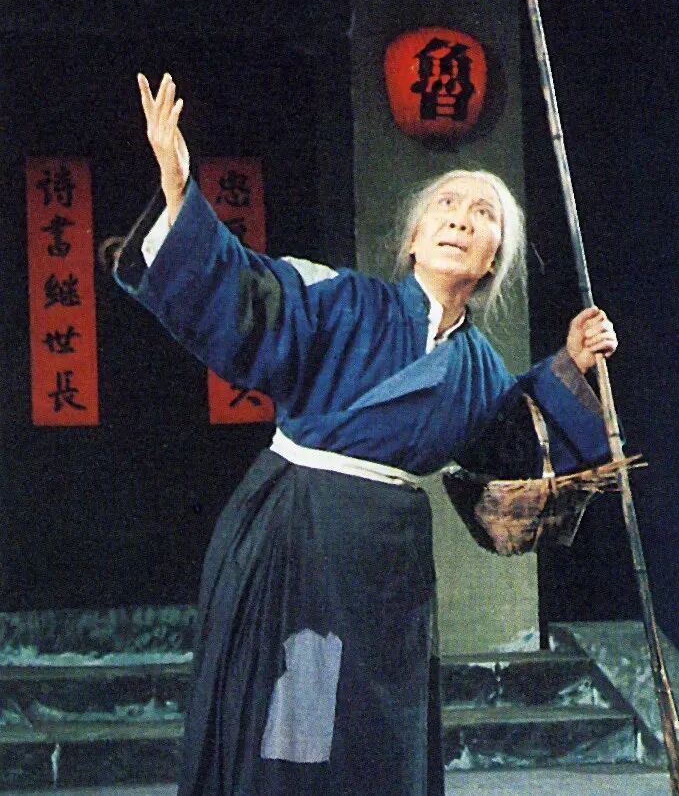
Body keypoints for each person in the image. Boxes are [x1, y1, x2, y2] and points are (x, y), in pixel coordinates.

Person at [112, 72, 618, 796]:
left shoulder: (477, 367)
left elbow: (512, 454)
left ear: (492, 261)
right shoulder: (342, 301)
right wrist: (176, 188)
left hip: (388, 570)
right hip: (301, 541)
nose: (461, 219)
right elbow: (249, 294)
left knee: (376, 739)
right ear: (413, 239)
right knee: (295, 733)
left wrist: (570, 362)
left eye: (483, 215)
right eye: (446, 204)